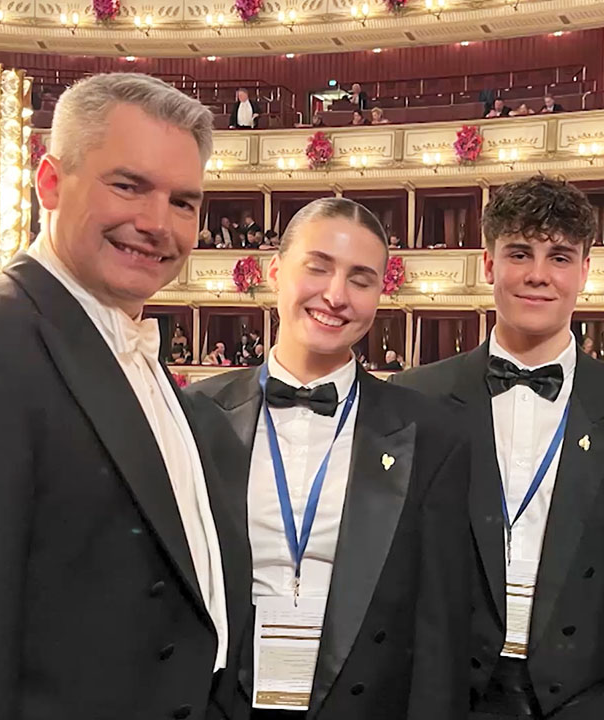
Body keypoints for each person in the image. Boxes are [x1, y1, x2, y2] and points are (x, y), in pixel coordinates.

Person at [0, 73, 252, 719]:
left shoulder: (147, 362)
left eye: (183, 201)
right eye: (128, 185)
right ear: (51, 182)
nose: (156, 223)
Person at [393, 176, 604, 720]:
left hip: (588, 702)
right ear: (488, 264)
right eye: (520, 253)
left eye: (560, 257)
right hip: (451, 697)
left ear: (585, 272)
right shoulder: (414, 400)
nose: (538, 275)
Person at [186, 198, 471, 719]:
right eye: (317, 268)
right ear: (275, 272)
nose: (336, 296)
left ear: (380, 294)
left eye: (360, 279)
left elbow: (440, 629)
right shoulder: (196, 415)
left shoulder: (430, 433)